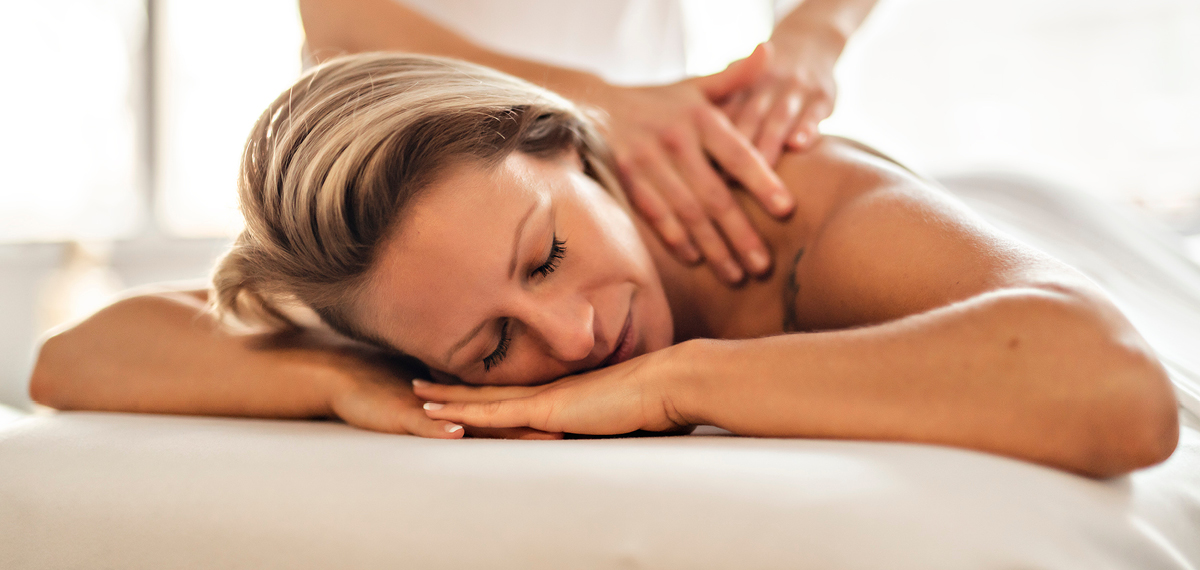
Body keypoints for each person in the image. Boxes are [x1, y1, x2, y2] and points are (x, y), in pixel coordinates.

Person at [30, 53, 1178, 478]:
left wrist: (675, 383)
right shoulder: (420, 288)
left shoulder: (794, 217)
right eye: (492, 346)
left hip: (1052, 228)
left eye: (551, 257)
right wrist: (340, 383)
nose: (572, 340)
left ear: (577, 148)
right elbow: (75, 359)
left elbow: (1115, 392)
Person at [299, 0, 878, 284]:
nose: (573, 341)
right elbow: (338, 14)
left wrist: (813, 35)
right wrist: (580, 104)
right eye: (492, 348)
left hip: (642, 147)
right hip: (377, 183)